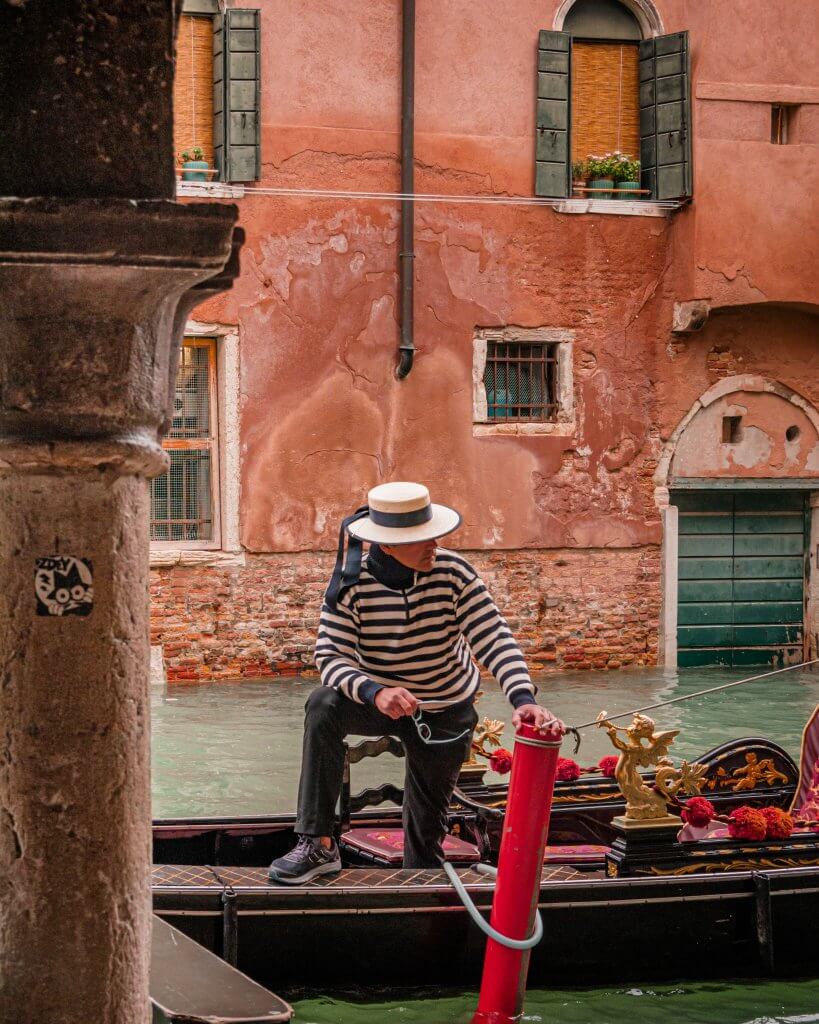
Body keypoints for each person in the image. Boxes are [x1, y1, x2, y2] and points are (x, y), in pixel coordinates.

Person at [268, 481, 564, 884]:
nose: (434, 544)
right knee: (323, 705)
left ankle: (419, 893)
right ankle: (317, 844)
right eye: (422, 538)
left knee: (424, 845)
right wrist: (376, 692)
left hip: (444, 712)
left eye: (433, 534)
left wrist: (522, 698)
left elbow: (493, 637)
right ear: (387, 546)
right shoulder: (350, 583)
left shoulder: (453, 572)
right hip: (378, 704)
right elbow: (330, 658)